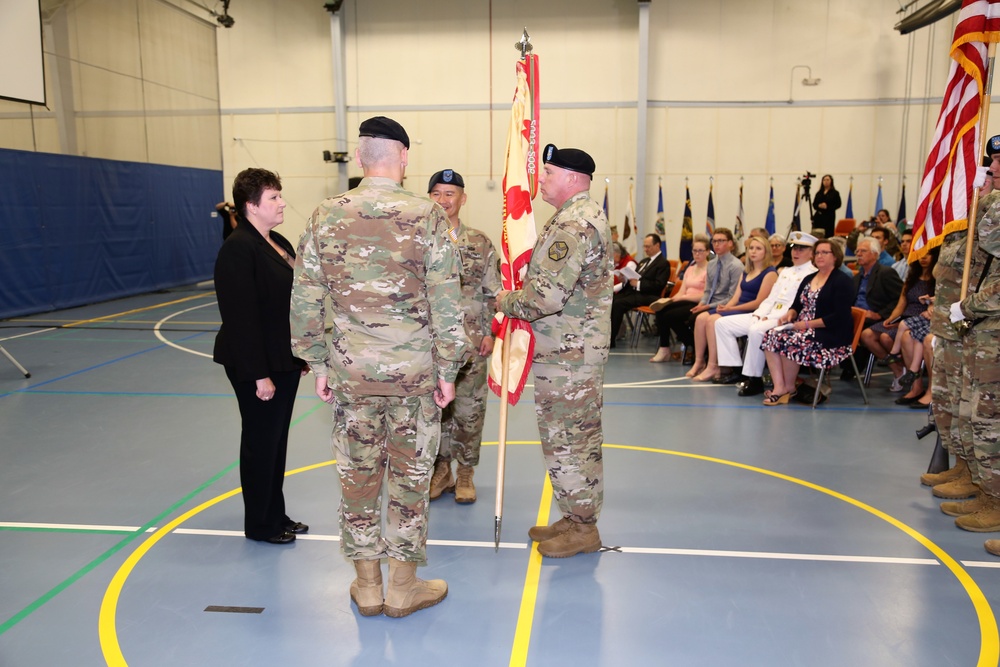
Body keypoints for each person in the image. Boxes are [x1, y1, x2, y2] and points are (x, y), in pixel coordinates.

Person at [290, 116, 470, 618]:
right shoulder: (427, 215)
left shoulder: (326, 214)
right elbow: (446, 301)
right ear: (404, 157)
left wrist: (316, 362)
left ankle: (367, 585)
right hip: (413, 375)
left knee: (358, 475)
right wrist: (449, 370)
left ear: (362, 157)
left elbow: (305, 295)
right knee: (411, 479)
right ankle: (402, 587)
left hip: (351, 374)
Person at [495, 143, 612, 559]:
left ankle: (584, 527)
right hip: (569, 350)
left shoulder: (574, 224)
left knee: (569, 442)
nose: (540, 180)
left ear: (572, 178)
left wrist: (504, 300)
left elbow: (546, 297)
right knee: (570, 440)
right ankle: (576, 515)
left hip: (569, 354)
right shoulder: (574, 217)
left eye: (547, 173)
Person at [213, 168, 309, 545]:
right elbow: (241, 319)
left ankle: (275, 513)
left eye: (279, 195)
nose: (282, 202)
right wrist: (259, 375)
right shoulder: (238, 248)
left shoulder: (276, 240)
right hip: (255, 365)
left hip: (280, 359)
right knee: (260, 444)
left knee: (276, 442)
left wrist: (296, 356)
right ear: (251, 205)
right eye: (273, 197)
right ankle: (260, 524)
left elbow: (287, 304)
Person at [426, 169, 502, 505]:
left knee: (470, 410)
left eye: (450, 194)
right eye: (437, 194)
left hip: (472, 343)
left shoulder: (480, 243)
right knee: (436, 410)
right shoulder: (420, 239)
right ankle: (441, 469)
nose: (443, 200)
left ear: (463, 198)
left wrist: (489, 332)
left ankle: (466, 472)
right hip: (431, 344)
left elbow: (492, 292)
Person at [713, 231, 817, 396]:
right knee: (722, 324)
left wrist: (769, 317)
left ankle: (754, 379)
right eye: (794, 248)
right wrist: (758, 314)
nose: (796, 252)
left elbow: (797, 305)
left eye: (801, 249)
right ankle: (736, 369)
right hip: (767, 314)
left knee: (756, 330)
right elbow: (771, 298)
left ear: (812, 253)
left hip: (785, 319)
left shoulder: (812, 274)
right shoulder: (786, 271)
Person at [760, 238, 855, 405]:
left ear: (835, 256)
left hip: (830, 333)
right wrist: (790, 313)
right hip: (802, 327)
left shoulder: (842, 280)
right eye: (817, 252)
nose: (819, 256)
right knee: (771, 335)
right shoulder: (809, 278)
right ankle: (780, 387)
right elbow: (797, 304)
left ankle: (789, 387)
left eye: (825, 252)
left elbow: (839, 317)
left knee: (791, 340)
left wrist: (806, 325)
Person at [691, 235, 777, 381]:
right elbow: (736, 297)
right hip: (738, 307)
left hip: (752, 311)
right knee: (701, 318)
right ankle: (699, 361)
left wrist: (729, 310)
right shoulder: (746, 271)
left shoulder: (770, 273)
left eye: (758, 249)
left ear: (766, 252)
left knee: (713, 320)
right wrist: (726, 307)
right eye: (751, 248)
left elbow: (759, 303)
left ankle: (715, 365)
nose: (753, 252)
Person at [859, 248, 936, 390]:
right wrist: (890, 319)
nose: (923, 258)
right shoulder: (912, 278)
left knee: (886, 338)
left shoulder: (937, 280)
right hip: (903, 317)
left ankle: (907, 368)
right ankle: (898, 370)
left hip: (922, 318)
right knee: (867, 335)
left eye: (928, 254)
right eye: (921, 254)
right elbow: (901, 305)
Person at [842, 236, 903, 381]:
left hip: (878, 319)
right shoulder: (857, 278)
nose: (858, 254)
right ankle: (845, 365)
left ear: (875, 254)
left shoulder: (885, 273)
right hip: (857, 317)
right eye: (857, 251)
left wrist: (879, 314)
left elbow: (900, 299)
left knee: (865, 334)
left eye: (863, 251)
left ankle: (897, 369)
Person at [681, 227, 743, 369]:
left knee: (698, 318)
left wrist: (707, 306)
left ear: (730, 244)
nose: (717, 244)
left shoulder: (736, 266)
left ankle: (711, 361)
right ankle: (699, 360)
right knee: (695, 316)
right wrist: (702, 303)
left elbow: (732, 297)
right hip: (711, 303)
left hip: (726, 305)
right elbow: (708, 290)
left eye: (721, 241)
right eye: (714, 241)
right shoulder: (713, 264)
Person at [648, 235, 710, 362]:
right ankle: (664, 348)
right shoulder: (690, 269)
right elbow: (682, 291)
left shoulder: (710, 269)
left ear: (708, 252)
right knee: (661, 310)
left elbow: (706, 294)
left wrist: (684, 298)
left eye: (700, 251)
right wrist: (670, 300)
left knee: (669, 316)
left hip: (698, 302)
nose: (697, 254)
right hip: (685, 300)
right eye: (694, 251)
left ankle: (692, 343)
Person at [609, 233, 669, 347]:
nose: (646, 249)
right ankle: (607, 336)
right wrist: (624, 279)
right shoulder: (644, 261)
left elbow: (659, 285)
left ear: (657, 246)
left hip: (649, 295)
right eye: (644, 246)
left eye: (648, 246)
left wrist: (639, 284)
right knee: (613, 300)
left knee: (618, 304)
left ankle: (611, 339)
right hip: (636, 292)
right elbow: (636, 277)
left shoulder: (663, 263)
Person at [811, 174, 842, 239]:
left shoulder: (835, 193)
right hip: (819, 217)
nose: (826, 181)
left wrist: (827, 206)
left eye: (828, 180)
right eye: (824, 180)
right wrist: (819, 205)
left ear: (831, 181)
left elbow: (838, 204)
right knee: (817, 234)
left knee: (828, 235)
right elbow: (814, 204)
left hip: (829, 217)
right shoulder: (819, 193)